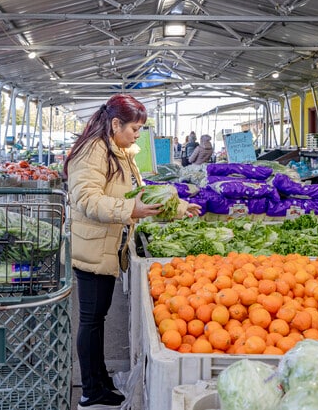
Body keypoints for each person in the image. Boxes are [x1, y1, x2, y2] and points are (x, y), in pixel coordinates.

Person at [63, 94, 201, 410]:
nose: (138, 135)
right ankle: (90, 391)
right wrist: (129, 209)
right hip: (93, 248)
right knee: (91, 319)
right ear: (115, 124)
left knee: (97, 318)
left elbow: (140, 193)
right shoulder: (92, 152)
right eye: (135, 129)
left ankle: (99, 381)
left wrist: (178, 207)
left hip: (108, 245)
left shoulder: (119, 150)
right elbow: (85, 200)